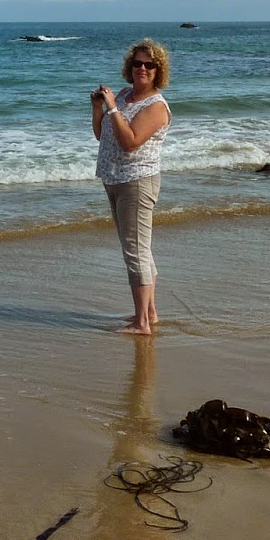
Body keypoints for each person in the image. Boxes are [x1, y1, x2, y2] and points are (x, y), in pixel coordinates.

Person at [92, 39, 171, 335]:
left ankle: (141, 324)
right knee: (138, 248)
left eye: (149, 65)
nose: (142, 69)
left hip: (137, 181)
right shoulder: (125, 95)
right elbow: (103, 135)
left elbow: (130, 142)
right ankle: (149, 313)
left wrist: (112, 107)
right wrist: (98, 107)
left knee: (136, 251)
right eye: (137, 63)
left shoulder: (156, 106)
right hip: (114, 178)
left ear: (158, 70)